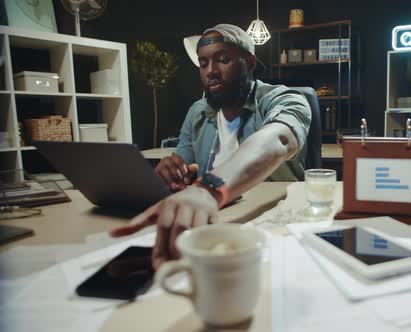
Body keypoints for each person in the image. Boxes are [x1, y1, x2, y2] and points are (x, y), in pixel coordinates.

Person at [110, 24, 312, 269]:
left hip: (275, 220)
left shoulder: (283, 98)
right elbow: (182, 162)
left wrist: (209, 189)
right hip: (216, 219)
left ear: (249, 62)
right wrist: (171, 171)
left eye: (223, 60)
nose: (211, 71)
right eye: (203, 63)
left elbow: (280, 140)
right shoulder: (197, 112)